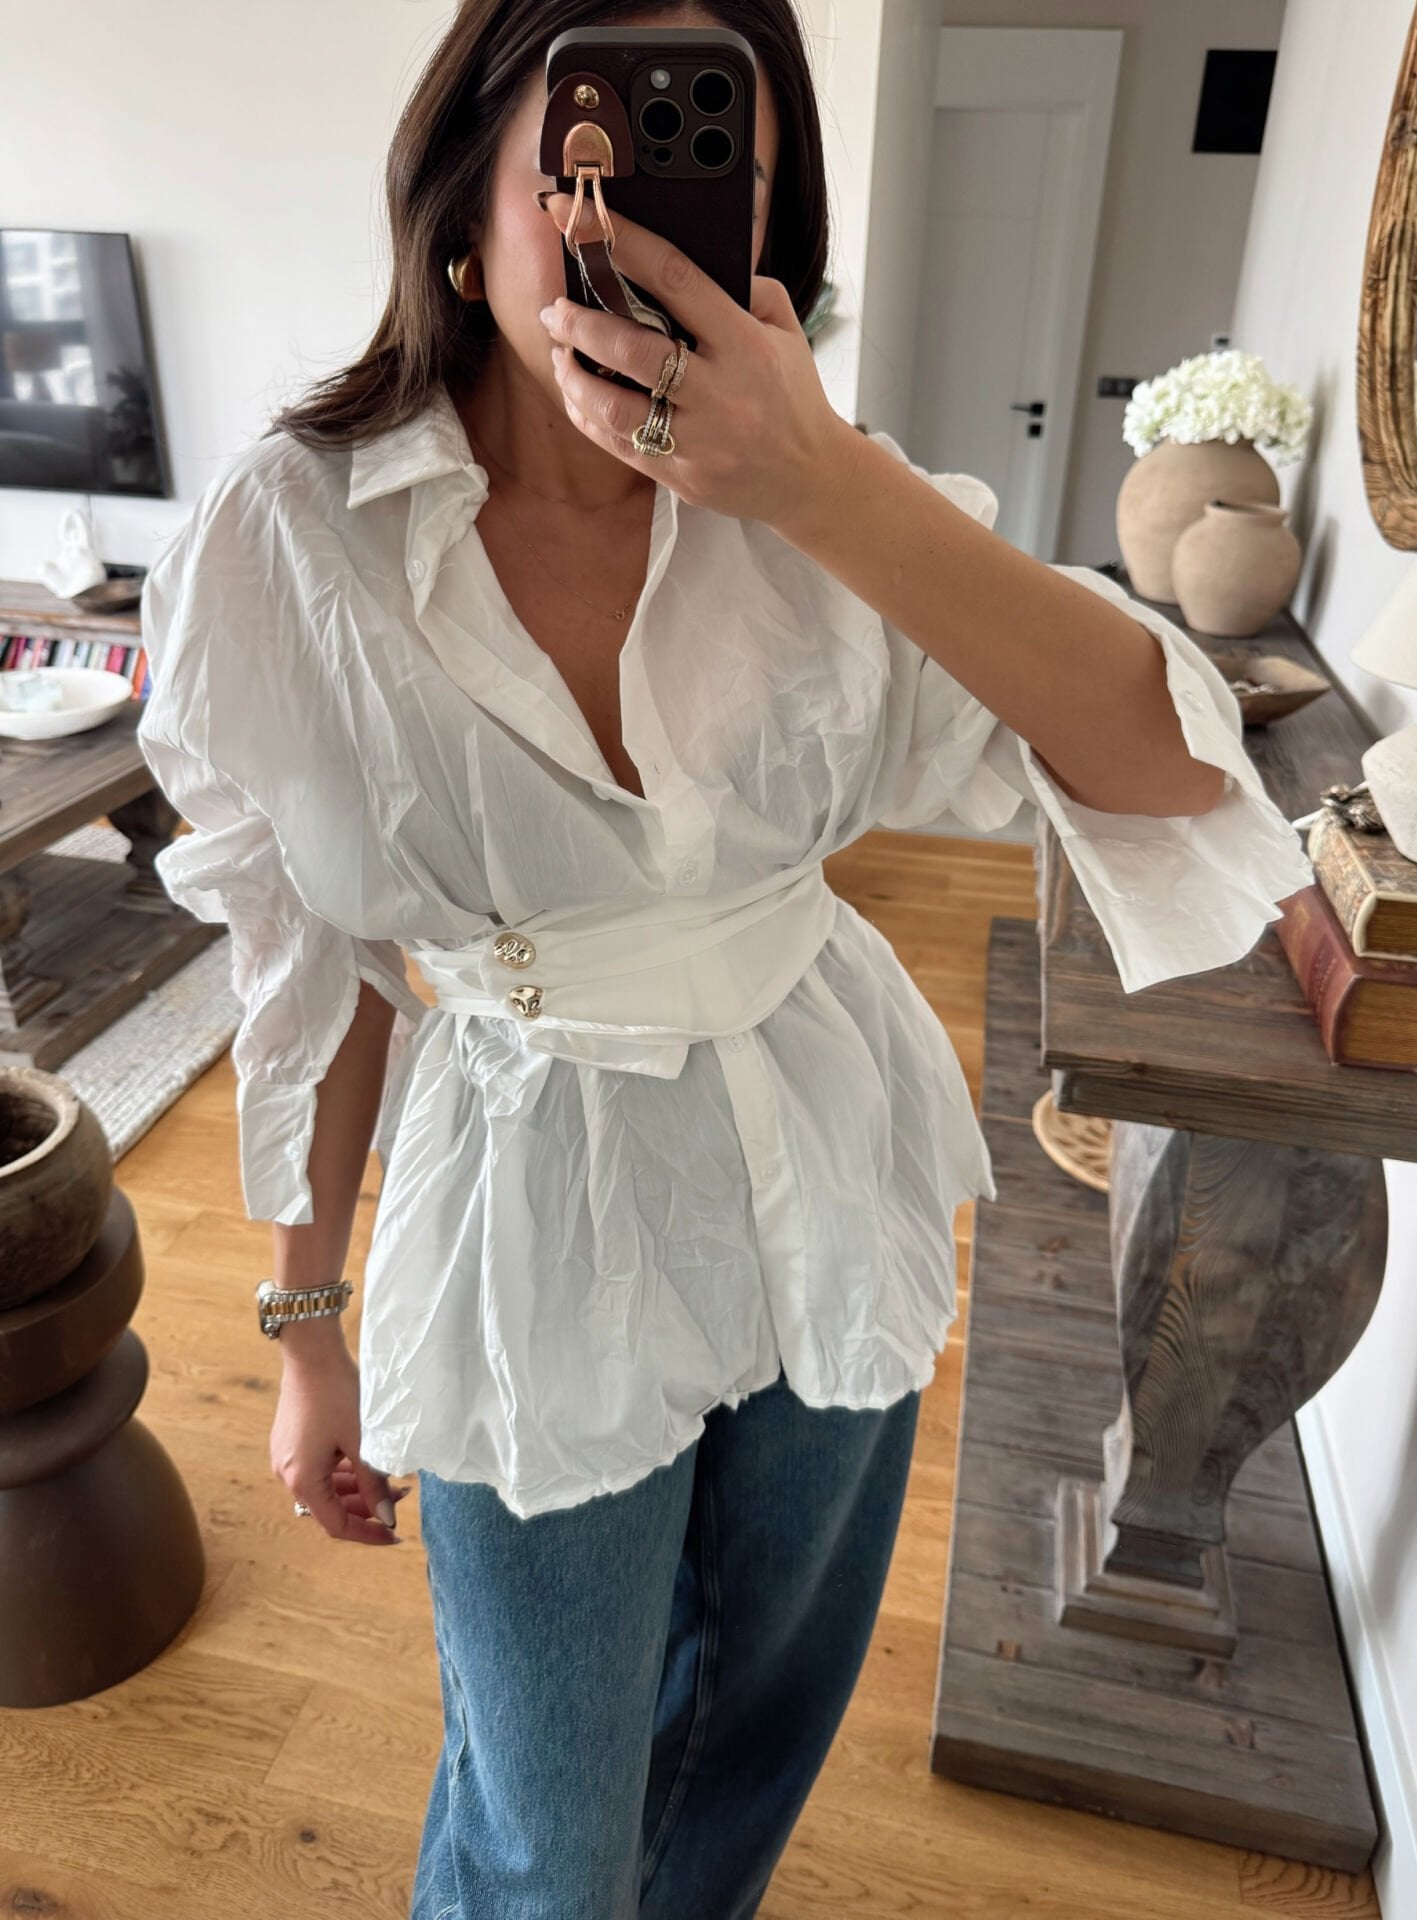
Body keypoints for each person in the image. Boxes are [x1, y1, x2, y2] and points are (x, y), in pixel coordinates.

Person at [134, 2, 1315, 1914]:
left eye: (709, 161)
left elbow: (1172, 769)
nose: (623, 213)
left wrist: (822, 483)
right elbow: (313, 959)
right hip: (531, 1217)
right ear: (464, 192)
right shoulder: (288, 541)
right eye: (581, 154)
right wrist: (304, 1329)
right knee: (543, 1824)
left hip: (822, 1157)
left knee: (753, 1733)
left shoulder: (827, 504)